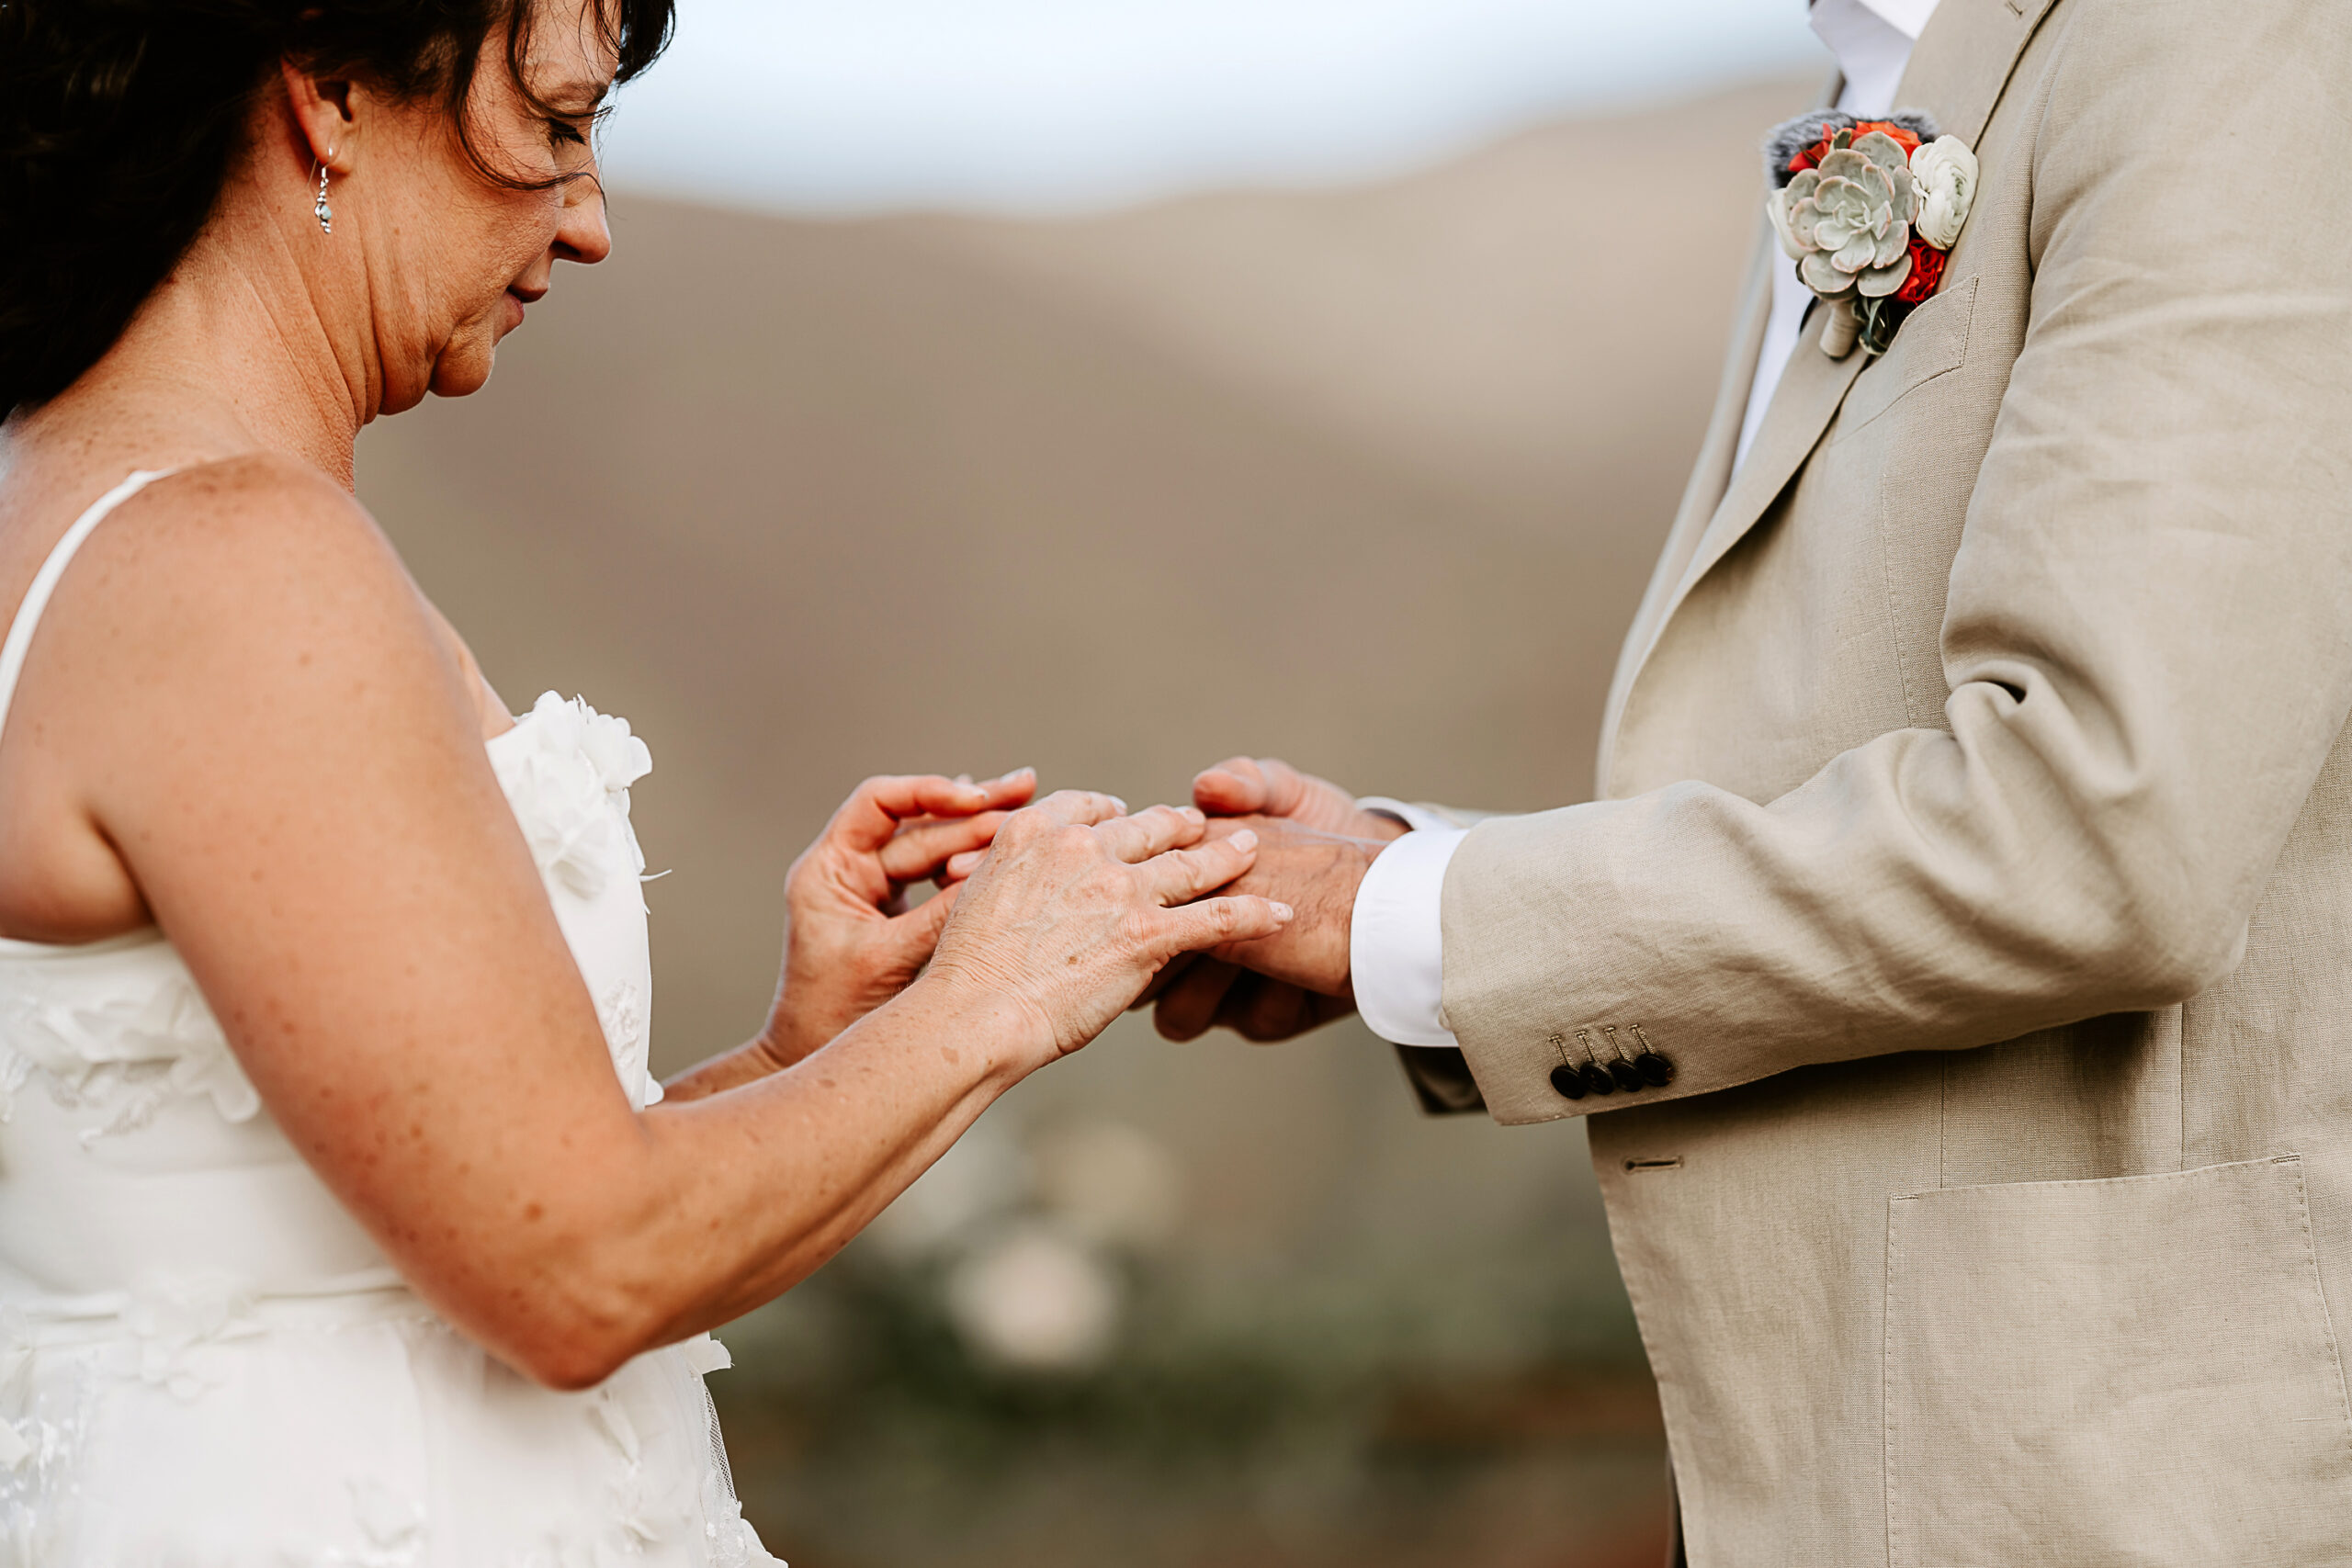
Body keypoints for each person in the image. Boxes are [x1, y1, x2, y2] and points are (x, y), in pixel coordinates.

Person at [0, 0, 1291, 1558]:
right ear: (330, 95)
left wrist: (800, 1055)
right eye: (554, 121)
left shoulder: (75, 501)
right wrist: (1002, 993)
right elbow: (573, 1272)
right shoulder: (236, 559)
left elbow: (433, 1226)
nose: (592, 219)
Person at [1158, 0, 2352, 1562]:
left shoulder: (2221, 40)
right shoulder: (1876, 83)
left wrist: (1424, 917)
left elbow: (2098, 829)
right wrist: (1396, 878)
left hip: (2118, 1468)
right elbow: (1844, 764)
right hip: (1836, 1454)